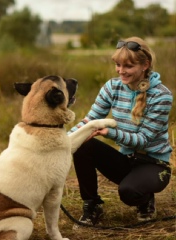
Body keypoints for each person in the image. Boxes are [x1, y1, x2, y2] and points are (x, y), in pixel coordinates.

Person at [68, 36, 173, 227]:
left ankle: (145, 198)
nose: (121, 71)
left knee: (129, 192)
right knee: (84, 142)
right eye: (118, 65)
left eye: (128, 66)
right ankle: (92, 205)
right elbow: (89, 120)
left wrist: (109, 132)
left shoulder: (162, 95)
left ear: (145, 65)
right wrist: (63, 141)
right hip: (126, 160)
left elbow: (144, 140)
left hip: (154, 164)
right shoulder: (112, 86)